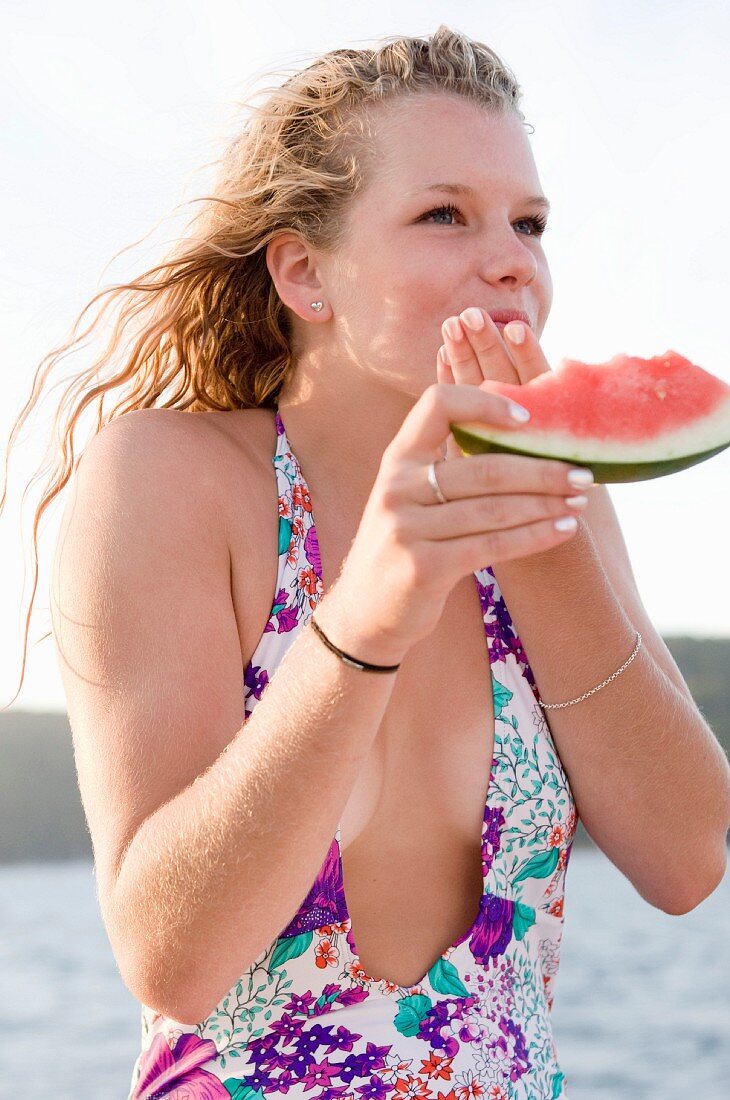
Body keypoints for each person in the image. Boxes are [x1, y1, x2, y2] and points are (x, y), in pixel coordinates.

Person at [16, 23, 726, 1100]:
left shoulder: (572, 514)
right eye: (445, 213)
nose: (511, 259)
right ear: (306, 273)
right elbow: (171, 955)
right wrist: (369, 614)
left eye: (528, 223)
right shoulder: (172, 475)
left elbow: (685, 863)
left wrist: (532, 532)